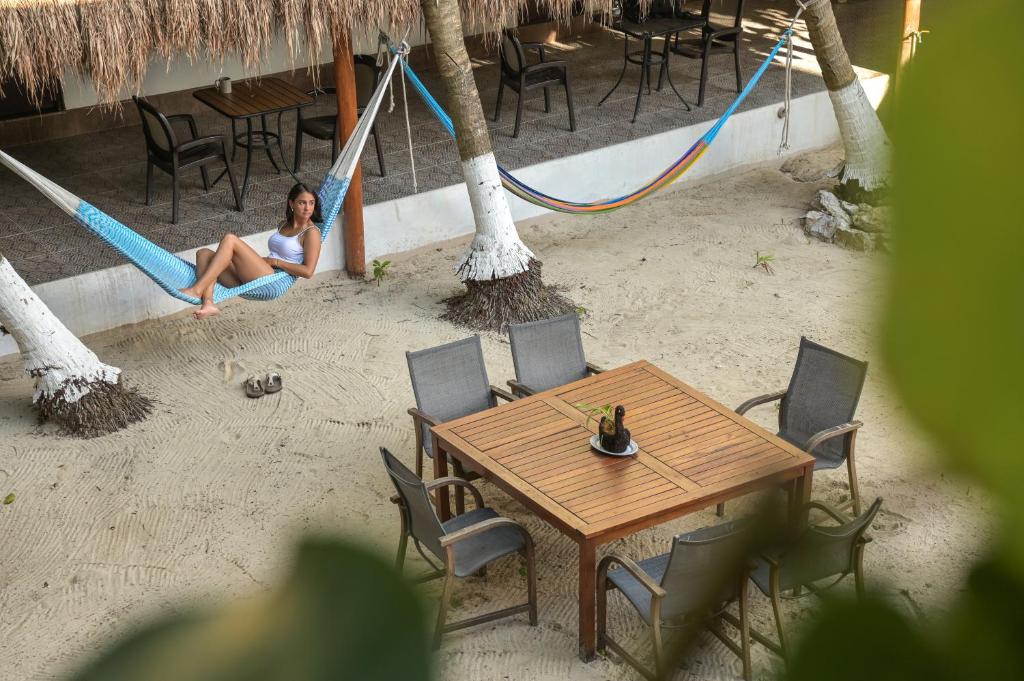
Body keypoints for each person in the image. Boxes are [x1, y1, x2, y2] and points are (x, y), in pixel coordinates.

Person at [180, 183, 323, 320]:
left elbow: (308, 271)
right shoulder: (283, 224)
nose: (307, 208)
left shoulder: (311, 233)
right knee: (203, 254)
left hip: (273, 281)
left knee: (230, 239)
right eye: (302, 203)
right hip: (258, 275)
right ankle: (208, 303)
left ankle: (197, 289)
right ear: (291, 204)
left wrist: (275, 262)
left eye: (311, 203)